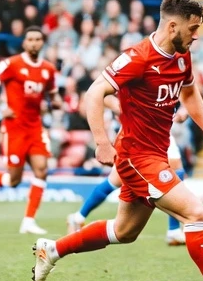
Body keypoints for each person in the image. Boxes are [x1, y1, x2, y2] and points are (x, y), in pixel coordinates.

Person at [31, 0, 203, 281]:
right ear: (171, 26)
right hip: (136, 157)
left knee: (124, 232)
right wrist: (102, 142)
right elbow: (95, 91)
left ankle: (51, 250)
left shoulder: (182, 56)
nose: (196, 36)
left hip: (155, 154)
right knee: (195, 212)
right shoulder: (137, 58)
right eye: (192, 29)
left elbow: (191, 93)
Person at [0, 26, 61, 235]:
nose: (34, 43)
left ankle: (28, 221)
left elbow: (54, 96)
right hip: (14, 127)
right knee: (13, 180)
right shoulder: (12, 64)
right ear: (24, 43)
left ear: (42, 43)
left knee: (42, 169)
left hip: (35, 127)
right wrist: (0, 105)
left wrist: (55, 104)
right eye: (30, 39)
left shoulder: (48, 69)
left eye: (38, 39)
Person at [67, 96, 188, 246]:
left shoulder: (169, 77)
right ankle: (174, 230)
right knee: (117, 180)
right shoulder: (134, 76)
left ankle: (78, 217)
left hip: (158, 130)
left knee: (117, 180)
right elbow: (104, 95)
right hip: (138, 131)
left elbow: (181, 101)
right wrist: (124, 107)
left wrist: (183, 111)